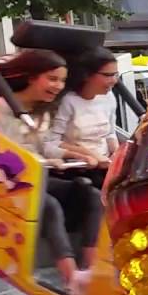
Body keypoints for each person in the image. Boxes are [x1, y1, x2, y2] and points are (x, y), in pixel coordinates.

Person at [0, 50, 103, 294]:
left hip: (36, 178)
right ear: (32, 78)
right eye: (52, 79)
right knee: (48, 204)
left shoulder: (41, 111)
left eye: (62, 81)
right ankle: (70, 276)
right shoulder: (2, 107)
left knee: (89, 192)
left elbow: (45, 148)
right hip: (6, 186)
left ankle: (92, 267)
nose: (58, 86)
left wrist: (75, 155)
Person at [48, 47, 120, 189]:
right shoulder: (68, 102)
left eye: (115, 75)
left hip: (105, 165)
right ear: (87, 75)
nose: (113, 81)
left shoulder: (109, 97)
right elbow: (52, 142)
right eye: (107, 75)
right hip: (77, 167)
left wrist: (117, 157)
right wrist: (89, 155)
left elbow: (110, 133)